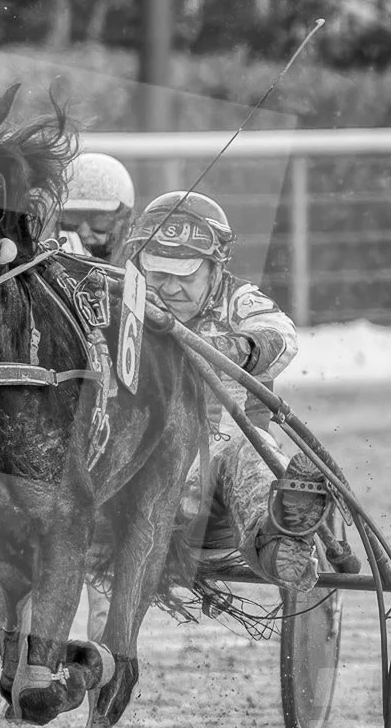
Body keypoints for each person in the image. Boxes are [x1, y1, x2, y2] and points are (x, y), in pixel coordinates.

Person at [120, 190, 329, 594]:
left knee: (253, 450)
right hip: (135, 467)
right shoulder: (122, 299)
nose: (170, 288)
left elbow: (281, 333)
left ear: (215, 269)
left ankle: (278, 542)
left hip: (217, 483)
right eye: (159, 274)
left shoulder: (239, 299)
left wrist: (240, 347)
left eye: (186, 276)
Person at [55, 152, 135, 264]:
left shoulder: (146, 267)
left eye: (98, 220)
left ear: (125, 218)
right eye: (73, 218)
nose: (83, 232)